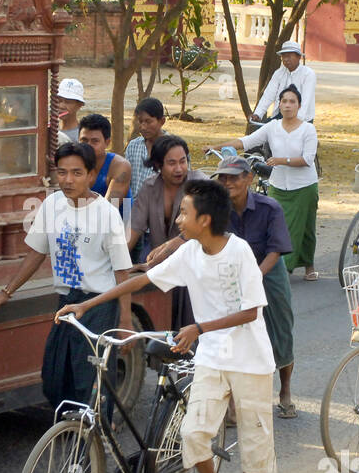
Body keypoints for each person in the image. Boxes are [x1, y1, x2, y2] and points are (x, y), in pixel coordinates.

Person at [57, 179, 275, 473]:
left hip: (250, 358)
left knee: (254, 442)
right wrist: (88, 305)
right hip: (211, 356)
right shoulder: (190, 253)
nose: (178, 220)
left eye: (185, 213)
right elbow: (144, 279)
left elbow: (252, 310)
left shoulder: (238, 253)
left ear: (204, 220)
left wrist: (199, 327)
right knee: (192, 434)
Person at [0, 142, 132, 409]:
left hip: (98, 305)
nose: (68, 180)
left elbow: (122, 271)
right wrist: (6, 291)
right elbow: (37, 252)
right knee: (54, 379)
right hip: (66, 303)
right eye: (62, 172)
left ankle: (94, 444)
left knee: (90, 383)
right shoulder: (52, 204)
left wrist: (125, 321)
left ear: (91, 176)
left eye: (76, 173)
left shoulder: (106, 215)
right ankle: (73, 435)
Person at [147, 156, 297, 416]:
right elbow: (195, 230)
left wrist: (254, 276)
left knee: (281, 328)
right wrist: (171, 245)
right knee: (225, 328)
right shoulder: (217, 208)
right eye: (223, 177)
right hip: (227, 271)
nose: (228, 182)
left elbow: (276, 250)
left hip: (267, 270)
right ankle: (228, 400)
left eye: (234, 177)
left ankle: (285, 389)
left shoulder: (270, 207)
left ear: (249, 178)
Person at [213, 83, 319, 279]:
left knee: (305, 227)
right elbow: (246, 141)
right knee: (281, 225)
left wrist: (280, 160)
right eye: (284, 101)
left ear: (299, 106)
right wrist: (219, 146)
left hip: (304, 185)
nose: (287, 105)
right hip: (278, 185)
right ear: (279, 105)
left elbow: (307, 159)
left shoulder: (308, 130)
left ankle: (305, 266)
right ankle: (280, 265)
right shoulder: (272, 127)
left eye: (292, 102)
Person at [127, 134, 207, 327]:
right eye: (171, 163)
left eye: (183, 161)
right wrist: (117, 261)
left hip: (196, 269)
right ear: (158, 165)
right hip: (161, 269)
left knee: (191, 330)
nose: (179, 168)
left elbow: (204, 228)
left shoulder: (201, 184)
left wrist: (173, 245)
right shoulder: (149, 187)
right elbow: (133, 228)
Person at [124, 97, 167, 242]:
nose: (143, 126)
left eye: (148, 121)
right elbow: (126, 183)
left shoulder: (174, 148)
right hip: (133, 220)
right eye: (140, 121)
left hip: (160, 222)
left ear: (162, 121)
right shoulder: (133, 146)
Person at [77, 113, 132, 209]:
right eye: (84, 140)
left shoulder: (120, 166)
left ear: (107, 143)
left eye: (94, 141)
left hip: (120, 223)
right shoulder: (74, 164)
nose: (88, 145)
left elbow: (108, 209)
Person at [254, 40, 316, 122]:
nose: (286, 59)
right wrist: (258, 114)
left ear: (298, 57)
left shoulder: (308, 74)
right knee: (262, 131)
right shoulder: (279, 73)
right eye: (283, 56)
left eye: (289, 56)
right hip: (281, 115)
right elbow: (269, 94)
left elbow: (305, 101)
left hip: (303, 119)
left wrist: (295, 121)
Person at [55, 77, 84, 144]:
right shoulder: (50, 129)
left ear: (79, 105)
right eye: (59, 100)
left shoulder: (82, 135)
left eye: (68, 102)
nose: (61, 106)